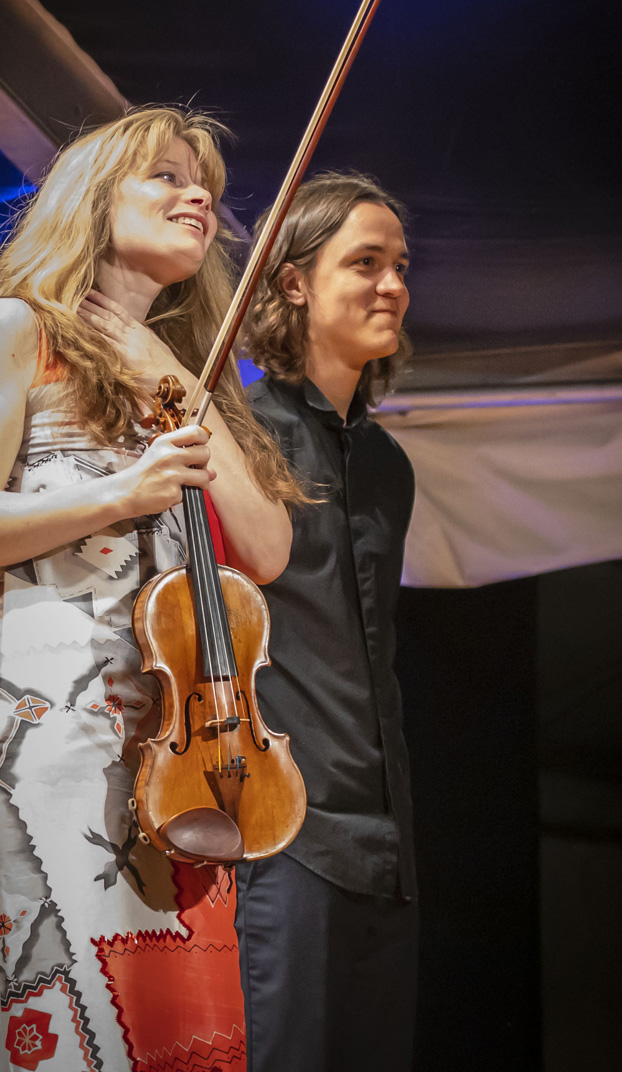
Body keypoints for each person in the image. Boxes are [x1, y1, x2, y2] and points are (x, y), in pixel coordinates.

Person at [0, 106, 299, 1072]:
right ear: (92, 200)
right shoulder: (15, 332)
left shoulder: (185, 377)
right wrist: (123, 492)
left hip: (185, 768)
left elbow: (267, 548)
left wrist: (171, 373)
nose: (197, 195)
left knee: (176, 1041)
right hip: (54, 759)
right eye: (165, 176)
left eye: (204, 183)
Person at [237, 172, 418, 1071]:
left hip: (387, 838)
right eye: (366, 263)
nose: (393, 285)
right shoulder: (240, 436)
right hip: (286, 833)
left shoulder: (389, 465)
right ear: (294, 282)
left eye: (401, 267)